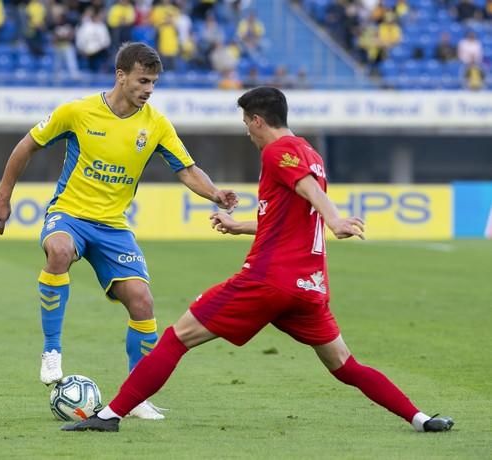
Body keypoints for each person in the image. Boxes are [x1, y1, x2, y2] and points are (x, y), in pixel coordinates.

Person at [61, 86, 454, 433]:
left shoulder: (278, 151)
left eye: (246, 122)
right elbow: (288, 213)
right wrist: (238, 226)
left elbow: (307, 190)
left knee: (176, 338)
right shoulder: (310, 153)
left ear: (258, 120)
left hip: (267, 281)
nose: (246, 131)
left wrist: (334, 218)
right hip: (309, 288)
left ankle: (110, 415)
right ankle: (420, 419)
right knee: (345, 365)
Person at [0, 42, 238, 420]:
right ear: (121, 76)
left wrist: (215, 192)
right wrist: (3, 196)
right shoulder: (77, 111)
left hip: (114, 226)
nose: (148, 89)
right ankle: (52, 351)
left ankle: (136, 397)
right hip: (69, 214)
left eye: (153, 82)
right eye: (142, 80)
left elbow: (186, 168)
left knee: (143, 302)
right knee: (57, 251)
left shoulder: (155, 124)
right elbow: (26, 146)